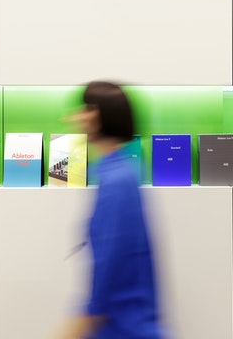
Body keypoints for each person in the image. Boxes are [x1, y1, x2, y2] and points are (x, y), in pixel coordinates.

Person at [53, 81, 164, 339]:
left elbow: (109, 267)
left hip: (124, 327)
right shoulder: (115, 172)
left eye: (84, 109)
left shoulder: (117, 181)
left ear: (98, 116)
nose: (74, 118)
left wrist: (76, 327)